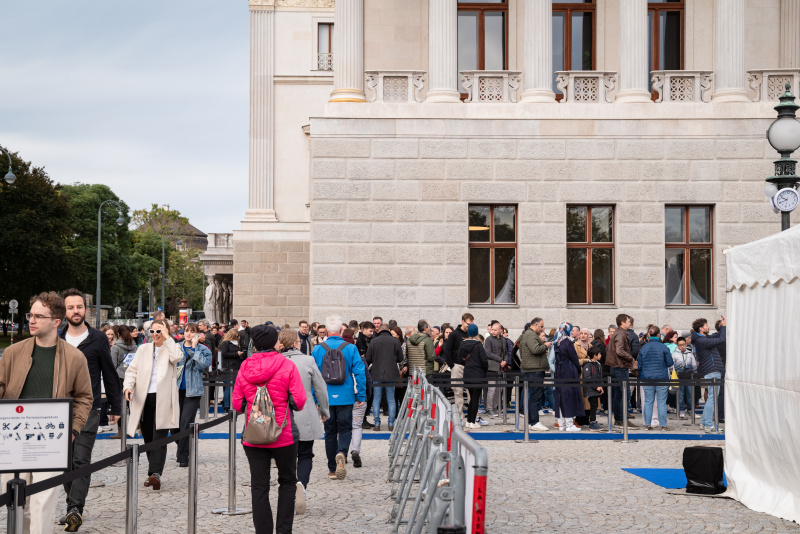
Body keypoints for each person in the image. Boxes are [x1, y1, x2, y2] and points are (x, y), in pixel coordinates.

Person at [0, 292, 93, 534]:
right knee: (18, 504)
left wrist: (73, 430)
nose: (31, 320)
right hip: (13, 441)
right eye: (31, 314)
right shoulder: (12, 353)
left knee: (43, 503)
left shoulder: (75, 357)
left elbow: (84, 397)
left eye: (39, 316)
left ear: (56, 321)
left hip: (51, 442)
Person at [58, 289, 122, 531]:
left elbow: (109, 373)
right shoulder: (57, 338)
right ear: (64, 312)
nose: (76, 311)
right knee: (63, 462)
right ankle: (70, 506)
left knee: (80, 459)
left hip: (89, 407)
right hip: (59, 409)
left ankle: (76, 509)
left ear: (85, 309)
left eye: (79, 307)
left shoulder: (97, 338)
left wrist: (116, 407)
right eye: (71, 307)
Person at [233, 325, 306, 534]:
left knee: (259, 486)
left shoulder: (245, 367)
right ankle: (284, 531)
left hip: (254, 434)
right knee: (287, 482)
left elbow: (237, 404)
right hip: (283, 433)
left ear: (254, 344)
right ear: (275, 342)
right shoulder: (287, 364)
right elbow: (299, 401)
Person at [123, 318, 182, 490]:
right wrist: (127, 386)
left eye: (159, 331)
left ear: (166, 332)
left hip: (164, 398)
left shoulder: (172, 347)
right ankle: (153, 472)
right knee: (148, 436)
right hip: (144, 398)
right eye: (153, 331)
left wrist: (167, 337)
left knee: (159, 436)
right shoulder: (143, 349)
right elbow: (132, 370)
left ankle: (155, 473)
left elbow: (178, 357)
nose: (155, 334)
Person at [276, 329, 328, 514]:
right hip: (304, 411)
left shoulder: (276, 361)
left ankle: (288, 490)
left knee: (285, 457)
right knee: (306, 454)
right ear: (297, 343)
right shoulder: (308, 360)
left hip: (281, 414)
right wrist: (324, 410)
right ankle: (301, 483)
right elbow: (320, 388)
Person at [312, 315, 366, 480]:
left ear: (326, 331)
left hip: (326, 396)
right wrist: (361, 394)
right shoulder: (350, 348)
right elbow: (360, 372)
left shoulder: (318, 349)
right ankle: (342, 452)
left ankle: (332, 469)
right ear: (341, 331)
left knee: (329, 432)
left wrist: (315, 398)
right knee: (345, 428)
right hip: (346, 395)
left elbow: (313, 376)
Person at [175, 323, 212, 467]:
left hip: (193, 391)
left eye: (192, 331)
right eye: (186, 331)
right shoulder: (176, 347)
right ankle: (185, 446)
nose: (189, 334)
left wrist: (194, 349)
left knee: (185, 422)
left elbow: (203, 364)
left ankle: (183, 456)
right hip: (176, 389)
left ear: (197, 334)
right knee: (175, 425)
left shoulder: (203, 349)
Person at [691, 317, 726, 432]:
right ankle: (709, 425)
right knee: (713, 398)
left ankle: (704, 422)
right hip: (712, 371)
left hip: (712, 371)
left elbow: (718, 335)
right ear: (701, 328)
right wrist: (724, 327)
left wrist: (723, 326)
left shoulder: (703, 338)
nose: (709, 327)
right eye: (706, 325)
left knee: (712, 397)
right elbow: (721, 339)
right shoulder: (702, 341)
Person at [367, 324, 404, 431]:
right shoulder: (395, 341)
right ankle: (391, 424)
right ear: (388, 330)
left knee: (376, 399)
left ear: (379, 331)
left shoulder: (373, 341)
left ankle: (377, 423)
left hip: (377, 373)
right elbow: (400, 358)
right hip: (391, 373)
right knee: (391, 399)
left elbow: (368, 358)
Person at [637, 326, 674, 431]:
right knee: (661, 402)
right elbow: (670, 363)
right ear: (658, 335)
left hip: (647, 377)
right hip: (661, 377)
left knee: (648, 401)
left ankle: (647, 425)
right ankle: (663, 425)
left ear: (649, 335)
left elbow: (639, 365)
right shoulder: (663, 347)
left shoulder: (644, 347)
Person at [519, 318, 551, 431]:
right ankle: (534, 422)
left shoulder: (527, 335)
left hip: (532, 369)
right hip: (534, 370)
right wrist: (546, 345)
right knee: (535, 397)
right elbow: (536, 349)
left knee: (533, 397)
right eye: (541, 326)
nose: (543, 329)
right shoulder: (531, 335)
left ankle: (530, 422)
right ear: (536, 325)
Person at [606, 314, 638, 428]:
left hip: (616, 367)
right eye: (628, 321)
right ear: (622, 322)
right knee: (625, 394)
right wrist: (631, 358)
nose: (630, 323)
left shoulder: (617, 333)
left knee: (618, 395)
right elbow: (619, 350)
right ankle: (621, 420)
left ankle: (619, 419)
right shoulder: (621, 334)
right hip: (620, 367)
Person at [552, 323, 584, 432]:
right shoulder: (568, 342)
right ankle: (569, 424)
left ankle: (562, 424)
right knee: (569, 397)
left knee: (560, 397)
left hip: (559, 370)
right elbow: (574, 358)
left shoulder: (556, 342)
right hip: (568, 370)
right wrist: (578, 370)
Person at [109, 325, 138, 439]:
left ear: (118, 334)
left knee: (121, 405)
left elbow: (112, 364)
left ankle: (121, 431)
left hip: (120, 377)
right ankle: (134, 428)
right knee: (132, 404)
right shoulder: (135, 346)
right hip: (133, 378)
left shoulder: (116, 347)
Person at [444, 313, 474, 420]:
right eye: (468, 323)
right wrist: (452, 365)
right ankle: (459, 416)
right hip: (457, 365)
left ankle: (473, 417)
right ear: (463, 321)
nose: (470, 326)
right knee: (458, 392)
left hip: (470, 367)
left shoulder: (472, 334)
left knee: (471, 392)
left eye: (472, 324)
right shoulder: (454, 334)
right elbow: (448, 350)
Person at [461, 324, 488, 430]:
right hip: (478, 374)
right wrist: (484, 370)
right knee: (475, 399)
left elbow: (460, 359)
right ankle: (471, 421)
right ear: (476, 332)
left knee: (471, 398)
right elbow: (484, 361)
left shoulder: (462, 344)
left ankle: (469, 421)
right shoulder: (479, 345)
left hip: (467, 373)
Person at [482, 321, 507, 418]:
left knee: (498, 389)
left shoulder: (503, 340)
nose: (493, 331)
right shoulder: (488, 339)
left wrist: (505, 360)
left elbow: (506, 352)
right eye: (492, 329)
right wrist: (501, 359)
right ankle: (489, 408)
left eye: (495, 330)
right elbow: (488, 353)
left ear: (500, 330)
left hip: (500, 367)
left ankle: (495, 407)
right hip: (491, 368)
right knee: (492, 389)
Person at [219, 328, 244, 411]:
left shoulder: (236, 343)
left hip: (235, 367)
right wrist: (236, 354)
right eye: (236, 336)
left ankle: (231, 404)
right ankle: (227, 405)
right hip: (228, 367)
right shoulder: (225, 343)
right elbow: (224, 354)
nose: (237, 337)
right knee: (228, 387)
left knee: (233, 386)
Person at [582, 345, 604, 430]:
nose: (601, 355)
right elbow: (588, 378)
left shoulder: (598, 364)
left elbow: (600, 376)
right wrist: (596, 387)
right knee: (593, 405)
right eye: (599, 354)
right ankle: (592, 422)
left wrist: (601, 386)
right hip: (590, 389)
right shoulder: (588, 365)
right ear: (595, 355)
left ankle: (593, 421)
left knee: (594, 406)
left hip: (596, 389)